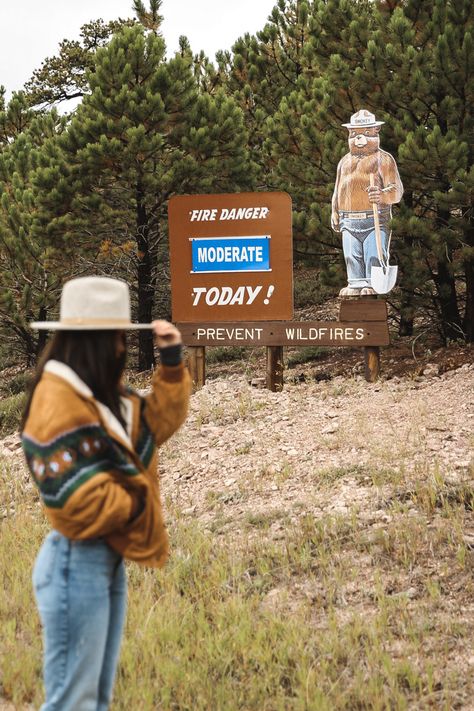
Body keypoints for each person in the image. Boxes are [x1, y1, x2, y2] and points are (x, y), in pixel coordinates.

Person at [21, 276, 192, 711]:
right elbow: (72, 501)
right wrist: (139, 499)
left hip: (99, 563)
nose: (122, 347)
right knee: (73, 703)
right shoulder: (57, 400)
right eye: (117, 338)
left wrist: (171, 362)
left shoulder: (100, 395)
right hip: (75, 565)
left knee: (92, 699)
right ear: (98, 342)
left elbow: (156, 423)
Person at [331, 109, 403, 296]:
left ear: (376, 131)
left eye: (366, 133)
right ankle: (355, 283)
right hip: (349, 219)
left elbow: (396, 190)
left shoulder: (384, 160)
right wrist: (335, 211)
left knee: (374, 253)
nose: (359, 138)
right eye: (354, 134)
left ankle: (372, 282)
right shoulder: (344, 162)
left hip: (375, 219)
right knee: (351, 254)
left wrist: (382, 195)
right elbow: (338, 189)